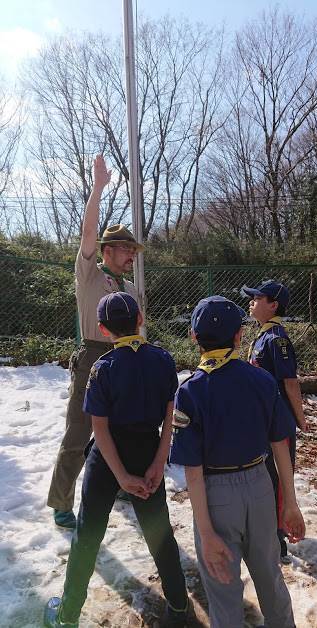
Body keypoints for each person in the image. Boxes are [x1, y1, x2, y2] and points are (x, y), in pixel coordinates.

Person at [44, 292, 192, 628]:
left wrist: (121, 476)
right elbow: (171, 418)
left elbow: (100, 428)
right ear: (140, 319)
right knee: (159, 533)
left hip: (106, 459)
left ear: (102, 328)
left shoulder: (103, 368)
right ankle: (180, 608)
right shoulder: (163, 360)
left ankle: (67, 616)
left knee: (88, 534)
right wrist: (157, 464)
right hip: (148, 450)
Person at [170, 296, 305, 628]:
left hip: (215, 497)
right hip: (260, 486)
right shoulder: (262, 381)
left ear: (193, 336)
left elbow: (194, 471)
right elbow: (280, 445)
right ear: (239, 337)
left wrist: (205, 531)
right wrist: (290, 502)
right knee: (271, 581)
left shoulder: (189, 391)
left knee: (223, 592)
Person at [47, 154, 143, 529]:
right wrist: (98, 188)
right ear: (106, 250)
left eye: (133, 250)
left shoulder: (131, 287)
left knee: (124, 429)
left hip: (126, 357)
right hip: (93, 357)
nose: (130, 255)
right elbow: (87, 233)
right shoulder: (89, 275)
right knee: (77, 434)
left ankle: (119, 483)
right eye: (124, 249)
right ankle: (61, 501)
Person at [242, 280, 306, 563]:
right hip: (260, 421)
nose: (252, 302)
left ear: (274, 305)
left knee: (278, 478)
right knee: (264, 476)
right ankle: (267, 532)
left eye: (257, 297)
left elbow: (290, 383)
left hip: (278, 423)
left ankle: (277, 541)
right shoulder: (263, 336)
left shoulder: (277, 339)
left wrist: (300, 420)